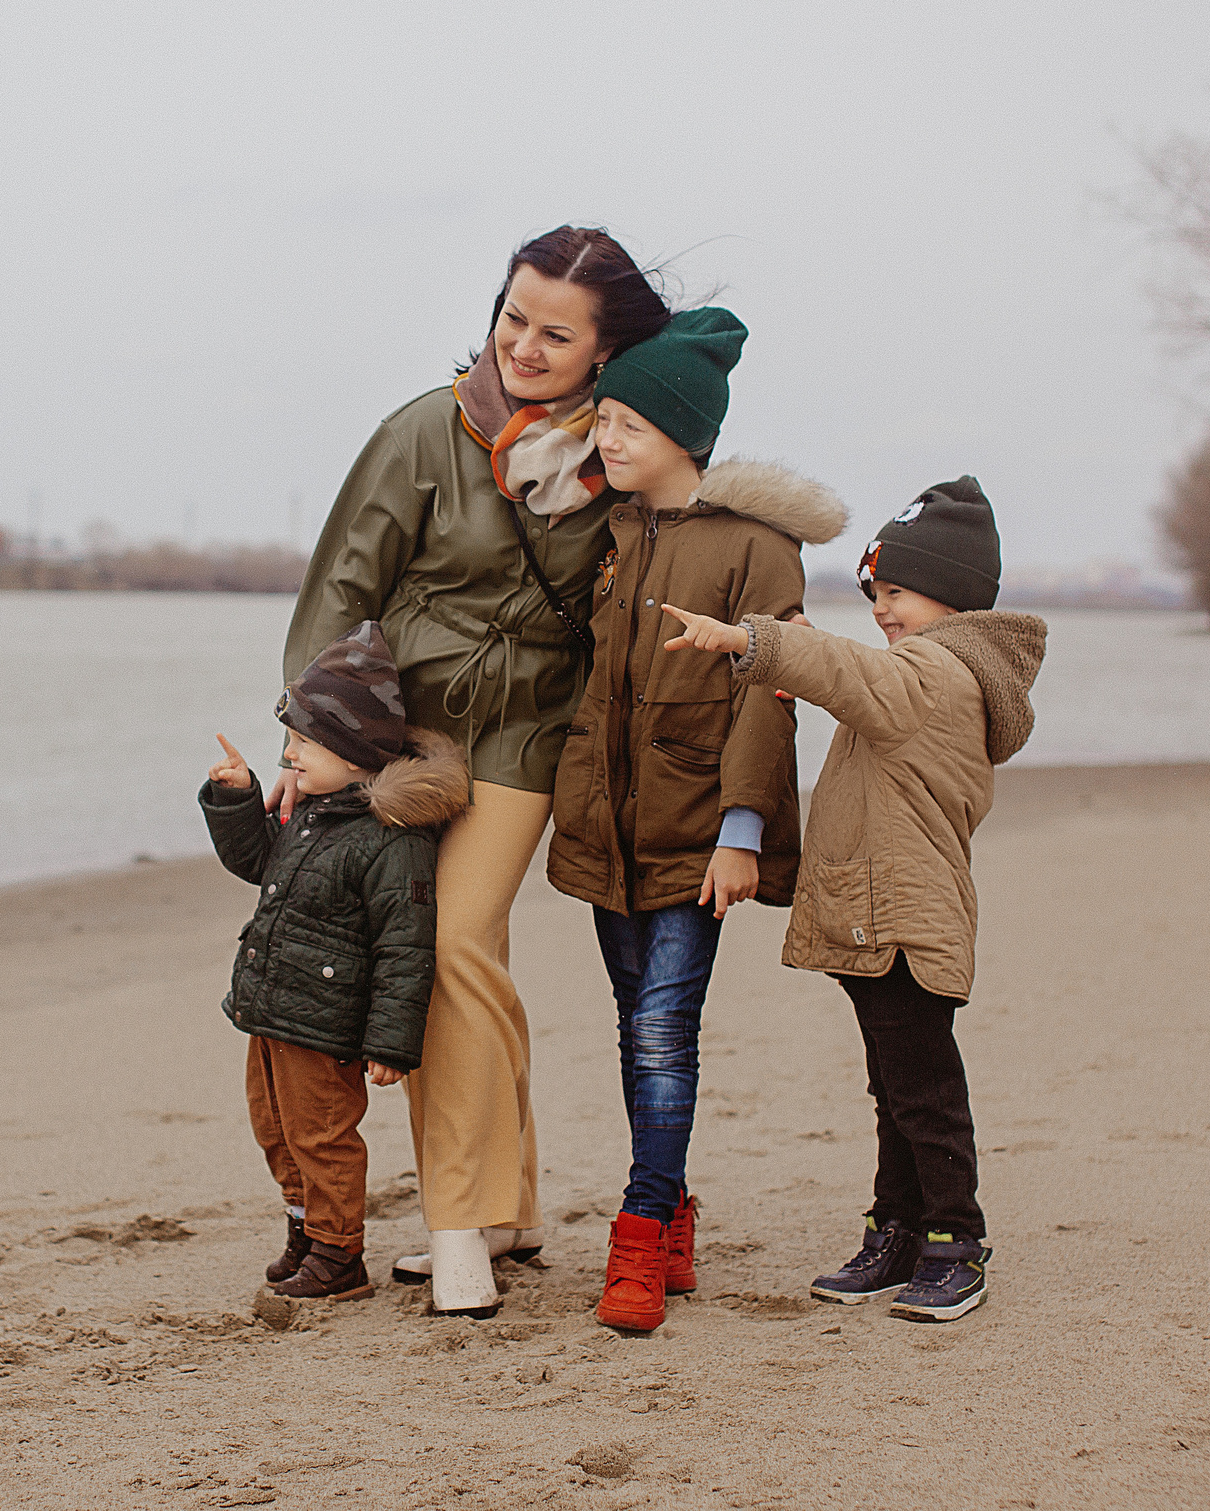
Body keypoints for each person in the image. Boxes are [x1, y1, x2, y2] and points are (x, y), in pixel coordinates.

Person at [281, 225, 673, 1316]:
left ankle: (456, 1225)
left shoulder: (617, 451)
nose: (526, 347)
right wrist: (306, 742)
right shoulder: (421, 432)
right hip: (407, 736)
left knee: (450, 942)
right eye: (514, 319)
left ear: (604, 350)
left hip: (532, 736)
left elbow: (682, 551)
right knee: (473, 954)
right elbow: (338, 593)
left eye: (557, 333)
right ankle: (512, 1207)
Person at [659, 476, 1046, 1323]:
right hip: (888, 914)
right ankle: (898, 1226)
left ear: (951, 594)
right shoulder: (921, 673)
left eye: (897, 593)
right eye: (875, 594)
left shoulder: (939, 671)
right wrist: (814, 659)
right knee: (896, 1086)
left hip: (906, 917)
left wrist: (753, 639)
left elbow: (854, 672)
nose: (882, 610)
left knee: (924, 1091)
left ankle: (957, 1239)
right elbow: (857, 676)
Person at [543, 307, 846, 1331]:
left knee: (667, 1032)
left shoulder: (759, 549)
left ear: (686, 434)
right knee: (635, 1033)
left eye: (629, 422)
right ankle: (671, 1213)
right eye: (604, 420)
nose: (608, 439)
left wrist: (742, 834)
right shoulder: (609, 529)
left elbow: (771, 695)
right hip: (604, 829)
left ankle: (633, 1241)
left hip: (699, 834)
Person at [201, 621, 471, 1300]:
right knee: (275, 1129)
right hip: (272, 1006)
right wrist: (238, 794)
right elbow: (259, 861)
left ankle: (339, 1253)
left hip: (325, 1024)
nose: (289, 756)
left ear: (354, 751)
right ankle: (304, 1229)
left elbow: (404, 948)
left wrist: (389, 1042)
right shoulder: (314, 811)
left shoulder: (391, 839)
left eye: (301, 744)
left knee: (321, 1137)